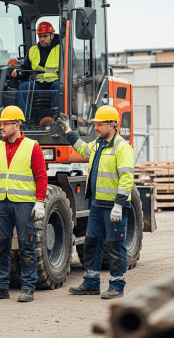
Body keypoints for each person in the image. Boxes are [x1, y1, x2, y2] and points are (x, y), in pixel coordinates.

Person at [57, 105, 135, 299]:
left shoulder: (122, 148)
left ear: (112, 125)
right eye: (96, 124)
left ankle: (117, 286)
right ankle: (91, 283)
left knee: (115, 246)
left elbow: (126, 178)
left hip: (113, 207)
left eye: (100, 124)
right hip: (97, 205)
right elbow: (82, 148)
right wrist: (68, 131)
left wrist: (118, 205)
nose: (96, 128)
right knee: (92, 243)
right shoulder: (98, 145)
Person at [0, 106, 48, 302]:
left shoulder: (31, 146)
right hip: (1, 203)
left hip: (24, 205)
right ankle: (0, 287)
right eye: (0, 123)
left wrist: (40, 202)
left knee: (27, 247)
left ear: (17, 125)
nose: (1, 126)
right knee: (0, 247)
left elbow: (41, 176)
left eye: (5, 123)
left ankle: (27, 288)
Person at [11, 21, 60, 119]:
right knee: (23, 87)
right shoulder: (32, 50)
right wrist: (18, 72)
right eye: (40, 36)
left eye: (45, 36)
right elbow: (25, 67)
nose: (42, 39)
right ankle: (24, 120)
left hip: (54, 82)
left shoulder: (62, 49)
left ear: (52, 36)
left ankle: (55, 118)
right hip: (38, 83)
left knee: (58, 86)